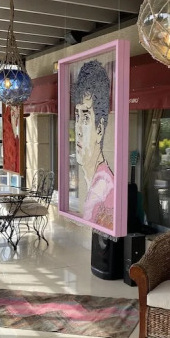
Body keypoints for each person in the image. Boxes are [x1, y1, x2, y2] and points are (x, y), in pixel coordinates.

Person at [72, 60, 114, 229]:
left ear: (100, 129)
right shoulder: (100, 181)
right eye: (77, 116)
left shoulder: (99, 193)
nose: (78, 130)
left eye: (86, 118)